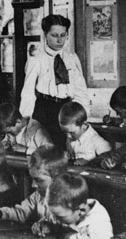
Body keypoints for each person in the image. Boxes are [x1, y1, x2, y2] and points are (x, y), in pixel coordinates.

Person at [19, 14, 89, 146]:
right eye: (54, 35)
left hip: (67, 109)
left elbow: (81, 90)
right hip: (45, 110)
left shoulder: (71, 58)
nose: (59, 40)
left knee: (67, 149)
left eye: (63, 35)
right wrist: (26, 118)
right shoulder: (36, 59)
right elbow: (28, 92)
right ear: (45, 34)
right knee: (48, 150)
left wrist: (84, 115)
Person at [0, 145, 68, 238]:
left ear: (57, 179)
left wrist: (52, 227)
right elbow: (22, 212)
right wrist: (0, 213)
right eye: (32, 180)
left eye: (39, 180)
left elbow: (71, 229)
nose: (33, 185)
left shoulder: (71, 200)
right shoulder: (37, 196)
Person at [46, 173, 113, 239]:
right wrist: (47, 225)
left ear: (81, 210)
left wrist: (70, 238)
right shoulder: (68, 210)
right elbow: (54, 219)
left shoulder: (99, 220)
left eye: (59, 217)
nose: (55, 219)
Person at [58, 101, 111, 165]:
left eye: (72, 132)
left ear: (84, 125)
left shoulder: (97, 142)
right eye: (65, 132)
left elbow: (109, 160)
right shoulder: (71, 135)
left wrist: (88, 162)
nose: (68, 136)